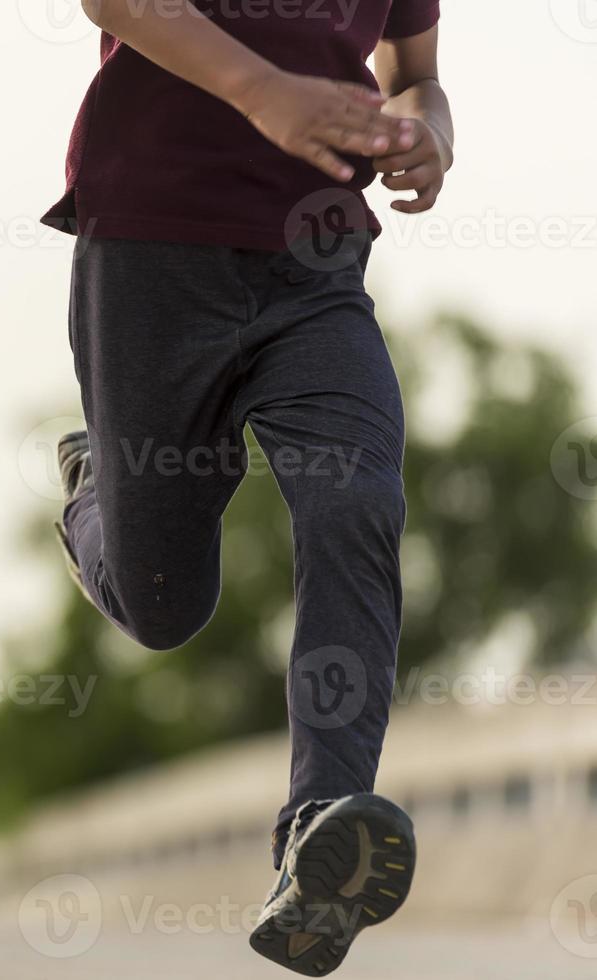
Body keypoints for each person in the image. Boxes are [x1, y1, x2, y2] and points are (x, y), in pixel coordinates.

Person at [44, 0, 453, 973]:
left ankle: (316, 838)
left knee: (356, 497)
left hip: (316, 270)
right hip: (151, 249)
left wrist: (429, 134)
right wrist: (260, 93)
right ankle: (94, 491)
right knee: (162, 606)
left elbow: (415, 73)